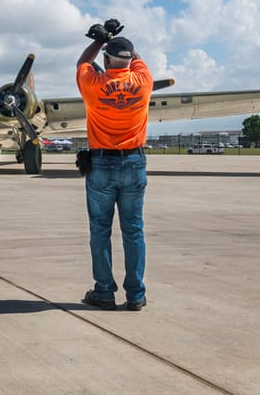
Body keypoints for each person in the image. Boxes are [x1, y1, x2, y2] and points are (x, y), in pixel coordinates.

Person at [76, 20, 154, 311]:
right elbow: (136, 59)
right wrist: (118, 40)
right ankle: (135, 295)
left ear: (106, 60)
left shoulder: (92, 83)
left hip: (101, 164)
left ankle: (104, 292)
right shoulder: (143, 81)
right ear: (131, 59)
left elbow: (83, 62)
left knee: (100, 231)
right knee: (134, 231)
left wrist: (100, 40)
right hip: (134, 161)